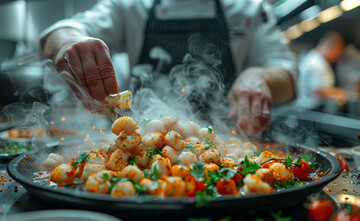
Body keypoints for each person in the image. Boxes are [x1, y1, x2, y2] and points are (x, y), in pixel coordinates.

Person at [40, 0, 297, 136]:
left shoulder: (248, 7)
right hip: (140, 142)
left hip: (228, 142)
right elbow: (56, 34)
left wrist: (262, 76)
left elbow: (287, 74)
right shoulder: (129, 5)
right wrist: (69, 42)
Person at [295, 31, 347, 110]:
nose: (338, 56)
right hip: (309, 110)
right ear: (330, 47)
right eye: (338, 51)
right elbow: (317, 89)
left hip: (307, 109)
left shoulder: (314, 58)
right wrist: (341, 93)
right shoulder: (316, 63)